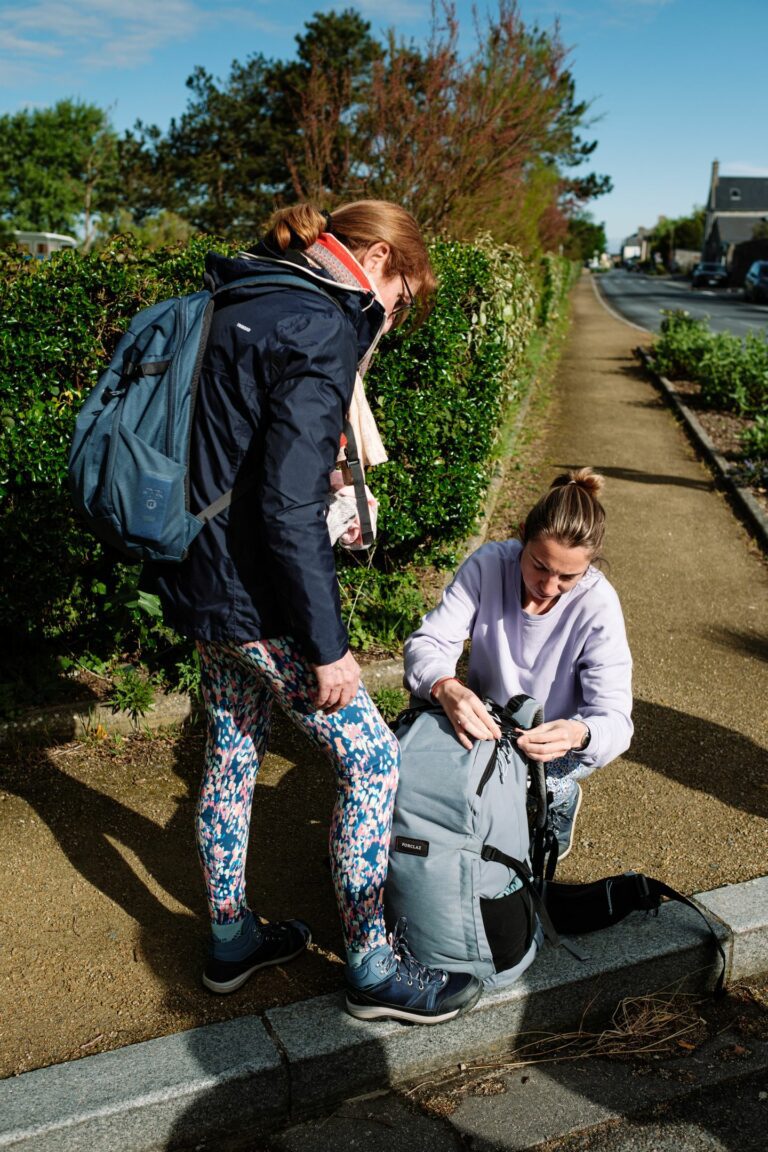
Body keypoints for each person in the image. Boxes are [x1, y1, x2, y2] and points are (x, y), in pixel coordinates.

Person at [150, 200, 483, 1024]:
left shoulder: (247, 295)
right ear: (375, 257)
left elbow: (240, 455)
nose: (392, 318)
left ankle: (231, 941)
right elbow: (287, 506)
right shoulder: (321, 322)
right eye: (402, 299)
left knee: (232, 754)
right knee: (371, 761)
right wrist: (328, 647)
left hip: (201, 580)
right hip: (261, 602)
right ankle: (373, 966)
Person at [403, 468, 633, 858]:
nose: (547, 587)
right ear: (523, 534)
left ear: (590, 565)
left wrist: (578, 734)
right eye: (540, 565)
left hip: (552, 743)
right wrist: (446, 686)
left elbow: (615, 720)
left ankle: (557, 796)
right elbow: (429, 642)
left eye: (567, 577)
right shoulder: (490, 564)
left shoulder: (598, 603)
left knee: (530, 788)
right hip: (488, 719)